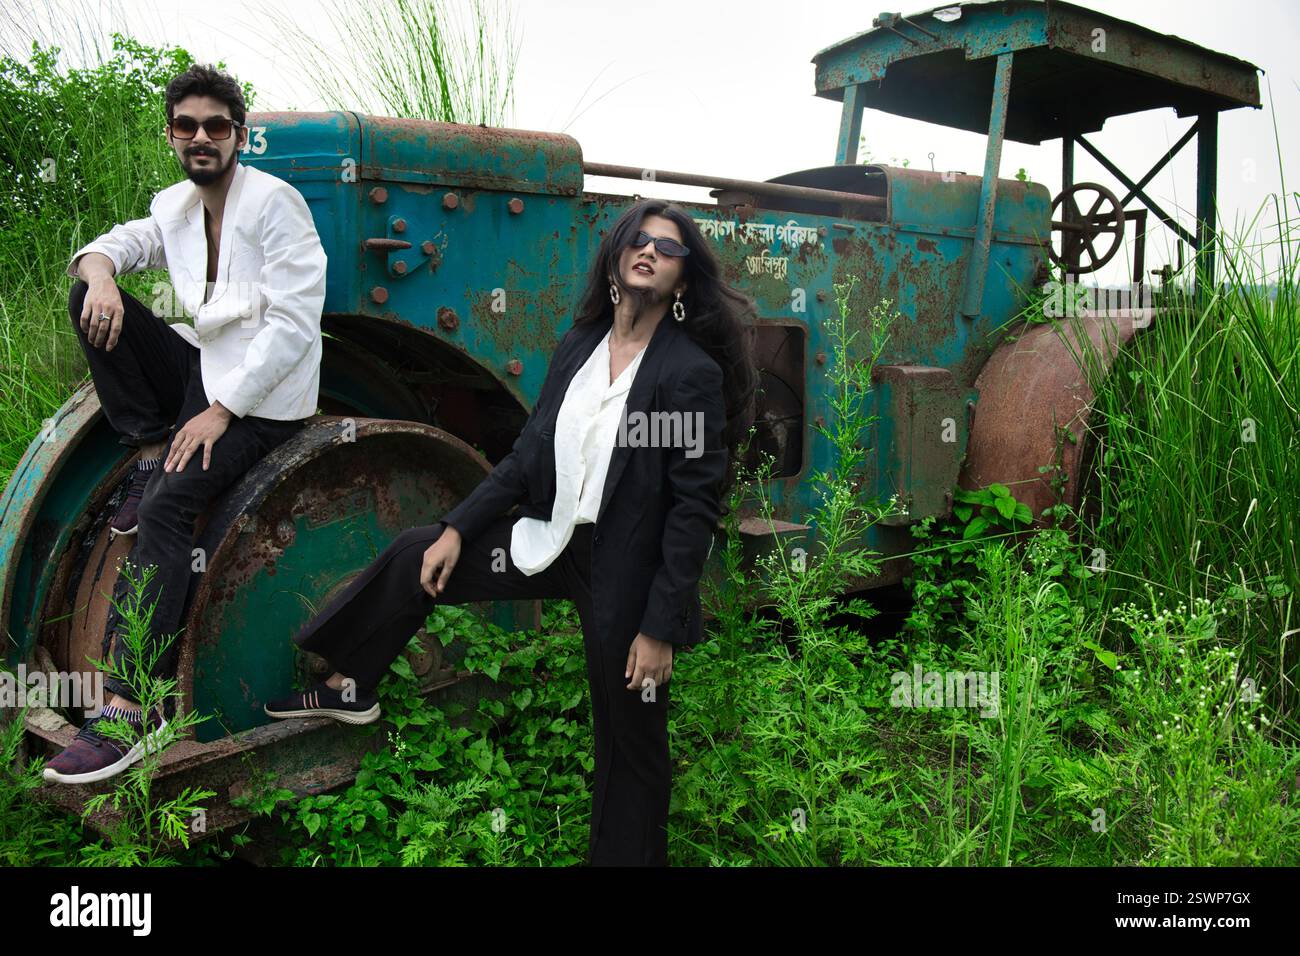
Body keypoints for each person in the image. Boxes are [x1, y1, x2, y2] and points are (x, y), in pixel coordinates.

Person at [266, 199, 758, 865]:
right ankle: (349, 686)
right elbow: (529, 455)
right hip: (554, 541)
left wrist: (660, 625)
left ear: (682, 279)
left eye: (667, 248)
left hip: (629, 571)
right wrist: (456, 529)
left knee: (630, 733)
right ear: (616, 257)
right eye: (638, 239)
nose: (649, 251)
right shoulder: (581, 346)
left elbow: (693, 508)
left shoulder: (688, 373)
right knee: (418, 552)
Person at [44, 64, 328, 785]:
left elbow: (295, 323)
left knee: (171, 506)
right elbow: (111, 245)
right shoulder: (173, 204)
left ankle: (132, 706)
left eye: (217, 126)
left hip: (262, 401)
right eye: (186, 126)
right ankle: (146, 446)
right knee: (89, 294)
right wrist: (102, 274)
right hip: (202, 373)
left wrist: (220, 412)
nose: (201, 138)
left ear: (238, 133)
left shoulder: (276, 204)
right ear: (171, 133)